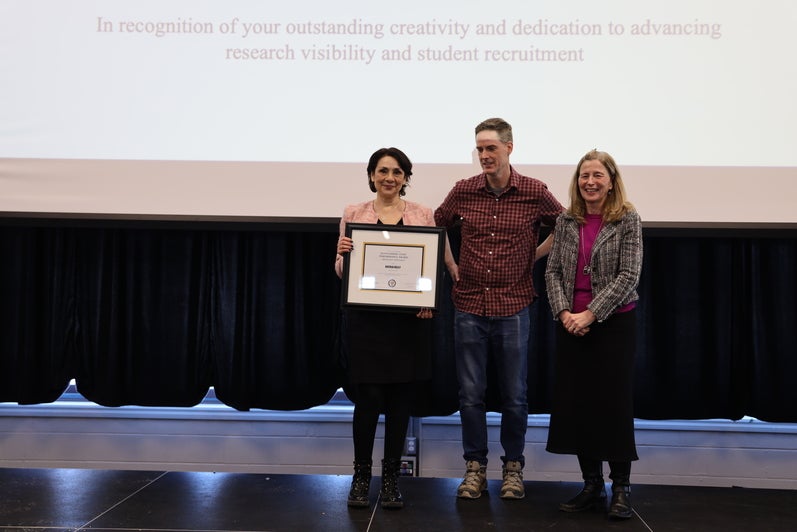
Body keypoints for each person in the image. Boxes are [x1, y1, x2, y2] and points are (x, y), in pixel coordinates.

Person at [434, 118, 564, 500]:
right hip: (469, 304)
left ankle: (513, 468)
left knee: (515, 395)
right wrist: (450, 264)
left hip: (513, 305)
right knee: (471, 394)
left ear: (509, 147)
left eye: (491, 147)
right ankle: (474, 468)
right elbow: (434, 225)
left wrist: (534, 256)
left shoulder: (534, 192)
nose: (484, 155)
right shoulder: (463, 190)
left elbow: (566, 224)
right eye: (479, 148)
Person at [544, 149, 643, 520]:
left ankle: (621, 488)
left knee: (612, 406)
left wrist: (590, 314)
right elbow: (552, 272)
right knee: (578, 405)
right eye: (584, 175)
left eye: (597, 175)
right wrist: (565, 312)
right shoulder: (566, 220)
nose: (590, 182)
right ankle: (591, 485)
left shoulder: (627, 218)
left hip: (614, 324)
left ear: (611, 180)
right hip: (571, 324)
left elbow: (628, 275)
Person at [335, 147, 435, 510]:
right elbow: (341, 272)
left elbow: (430, 266)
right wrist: (344, 254)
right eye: (382, 171)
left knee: (399, 404)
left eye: (396, 171)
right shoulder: (353, 213)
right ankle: (361, 477)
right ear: (371, 175)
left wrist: (428, 300)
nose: (389, 177)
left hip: (408, 325)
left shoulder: (423, 214)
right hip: (367, 324)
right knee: (368, 402)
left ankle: (392, 479)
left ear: (406, 177)